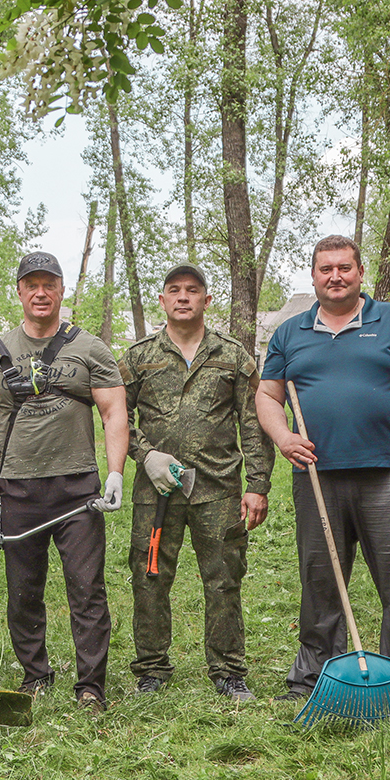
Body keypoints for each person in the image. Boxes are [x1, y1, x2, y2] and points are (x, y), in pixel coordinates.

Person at [255, 235, 390, 707]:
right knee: (319, 582)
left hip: (389, 474)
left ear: (360, 273)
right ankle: (315, 678)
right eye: (325, 269)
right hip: (317, 477)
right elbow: (267, 395)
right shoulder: (289, 332)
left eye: (344, 267)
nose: (335, 276)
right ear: (314, 275)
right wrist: (283, 436)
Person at [0, 251, 129, 712]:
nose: (40, 293)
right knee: (23, 592)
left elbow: (113, 411)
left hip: (77, 489)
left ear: (62, 290)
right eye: (31, 285)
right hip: (17, 488)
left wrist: (117, 471)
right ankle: (35, 676)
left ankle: (90, 687)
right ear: (19, 292)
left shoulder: (91, 349)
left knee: (86, 590)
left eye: (49, 284)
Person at [120, 263, 272, 702]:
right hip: (156, 492)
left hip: (218, 488)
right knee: (149, 576)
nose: (183, 297)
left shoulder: (233, 356)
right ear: (163, 301)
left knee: (224, 578)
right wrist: (144, 455)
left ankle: (227, 671)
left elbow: (253, 423)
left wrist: (257, 484)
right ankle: (151, 668)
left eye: (192, 290)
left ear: (207, 300)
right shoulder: (138, 357)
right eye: (174, 290)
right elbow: (116, 417)